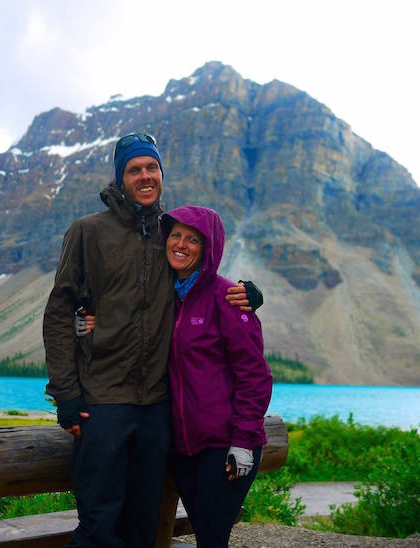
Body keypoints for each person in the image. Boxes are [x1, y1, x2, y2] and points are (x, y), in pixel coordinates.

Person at [43, 133, 262, 547]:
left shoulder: (170, 235)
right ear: (120, 177)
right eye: (134, 169)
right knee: (98, 524)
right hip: (104, 401)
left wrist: (248, 295)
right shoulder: (88, 232)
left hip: (157, 410)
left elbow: (201, 284)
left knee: (145, 526)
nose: (145, 176)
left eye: (151, 168)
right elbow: (59, 311)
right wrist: (66, 393)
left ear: (161, 174)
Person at [162, 205, 273, 547]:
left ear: (208, 248)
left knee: (211, 537)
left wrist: (243, 441)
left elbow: (254, 375)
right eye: (176, 235)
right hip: (185, 448)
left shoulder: (228, 298)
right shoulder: (165, 297)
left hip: (225, 444)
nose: (181, 244)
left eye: (192, 239)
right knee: (208, 536)